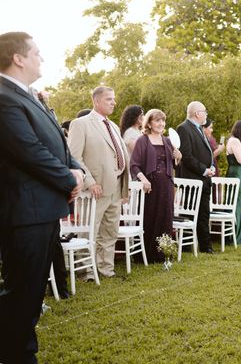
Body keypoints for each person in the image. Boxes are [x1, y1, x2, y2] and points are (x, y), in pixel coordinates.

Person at [0, 31, 84, 363]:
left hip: (44, 210)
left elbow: (58, 143)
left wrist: (76, 170)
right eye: (36, 53)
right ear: (18, 58)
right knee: (21, 293)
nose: (41, 58)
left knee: (33, 293)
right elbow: (29, 151)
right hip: (25, 212)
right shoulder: (5, 98)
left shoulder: (31, 95)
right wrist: (68, 179)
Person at [68, 86, 130, 278]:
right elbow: (74, 157)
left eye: (114, 99)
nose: (114, 102)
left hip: (116, 186)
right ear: (96, 101)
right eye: (109, 99)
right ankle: (85, 271)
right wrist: (89, 181)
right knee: (90, 231)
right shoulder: (81, 124)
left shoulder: (113, 126)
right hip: (95, 188)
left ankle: (105, 268)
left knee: (110, 231)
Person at [129, 109, 182, 262]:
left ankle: (163, 253)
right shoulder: (142, 140)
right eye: (157, 120)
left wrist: (177, 157)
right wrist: (143, 179)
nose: (161, 124)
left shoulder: (167, 141)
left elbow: (173, 166)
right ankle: (147, 255)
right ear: (149, 123)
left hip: (166, 186)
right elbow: (134, 165)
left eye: (163, 121)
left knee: (165, 218)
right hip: (149, 188)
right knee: (150, 218)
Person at [176, 101, 215, 253]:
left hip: (204, 179)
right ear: (197, 113)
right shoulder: (184, 128)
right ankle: (189, 247)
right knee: (191, 214)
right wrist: (204, 170)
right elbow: (186, 156)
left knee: (204, 213)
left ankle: (205, 246)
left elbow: (206, 152)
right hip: (192, 179)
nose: (206, 114)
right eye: (204, 111)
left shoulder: (198, 128)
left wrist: (211, 166)